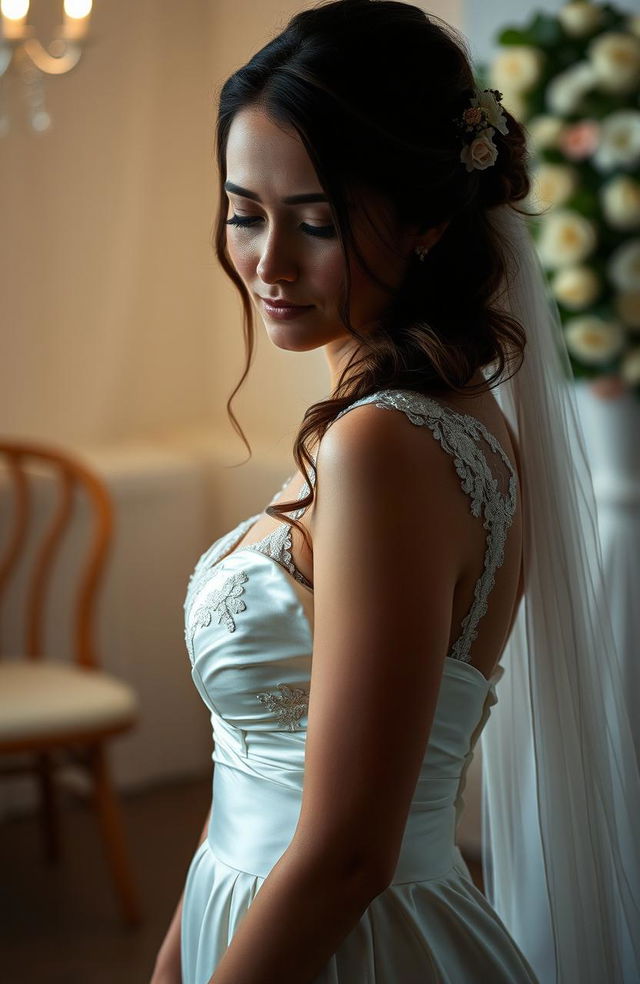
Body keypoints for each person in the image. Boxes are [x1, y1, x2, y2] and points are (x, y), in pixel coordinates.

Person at [151, 2, 640, 982]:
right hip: (253, 911)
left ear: (423, 222)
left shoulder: (386, 446)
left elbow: (346, 855)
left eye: (317, 223)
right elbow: (251, 778)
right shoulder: (432, 418)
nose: (268, 264)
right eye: (245, 212)